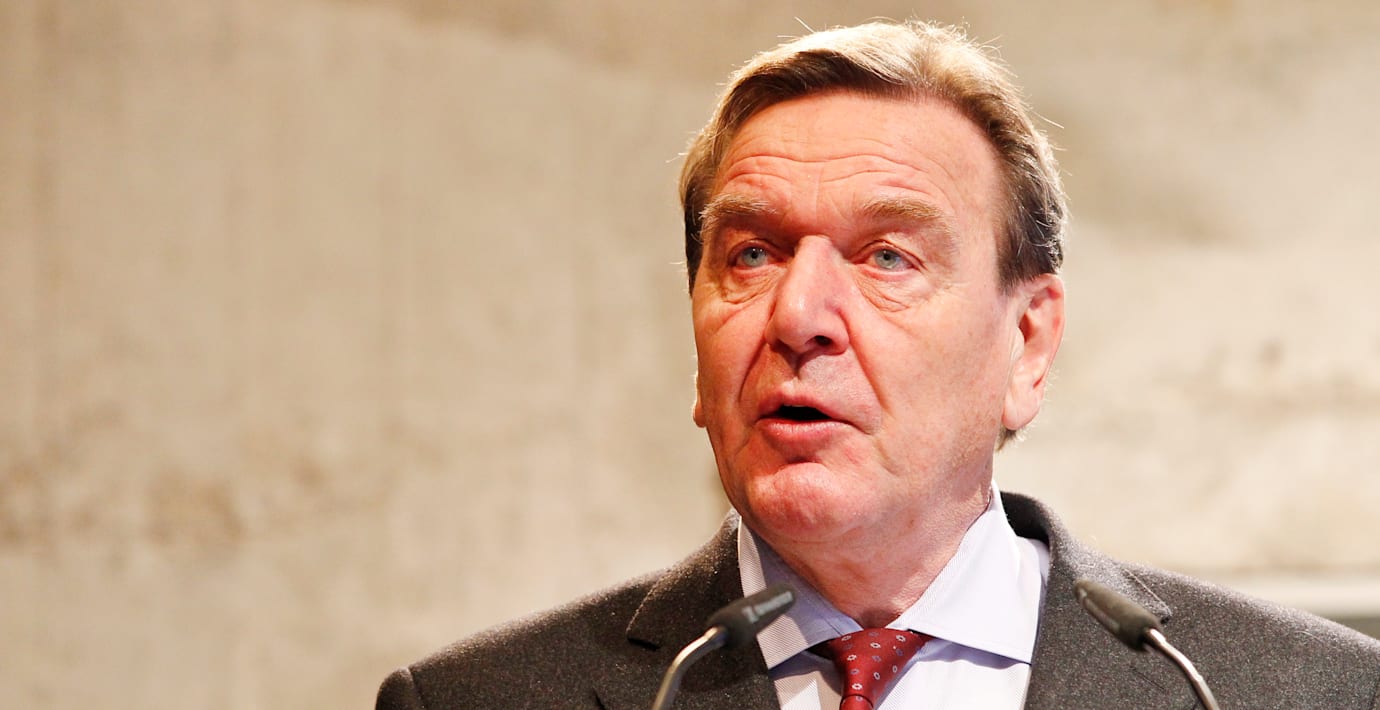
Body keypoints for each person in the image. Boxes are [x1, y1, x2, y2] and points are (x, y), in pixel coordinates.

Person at [376, 19, 1380, 709]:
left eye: (887, 257)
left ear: (1028, 344)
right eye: (751, 255)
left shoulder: (1299, 691)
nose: (797, 315)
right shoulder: (475, 700)